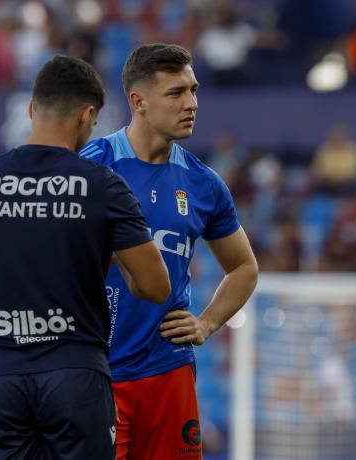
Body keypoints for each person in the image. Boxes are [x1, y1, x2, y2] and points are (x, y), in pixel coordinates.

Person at [0, 55, 171, 459]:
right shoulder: (104, 186)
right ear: (87, 116)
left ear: (32, 109)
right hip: (75, 376)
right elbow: (156, 287)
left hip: (0, 376)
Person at [80, 43, 259, 460]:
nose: (192, 103)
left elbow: (244, 268)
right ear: (138, 102)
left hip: (169, 370)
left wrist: (207, 324)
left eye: (194, 90)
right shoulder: (94, 166)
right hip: (101, 373)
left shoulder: (204, 182)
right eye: (176, 93)